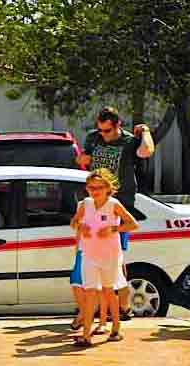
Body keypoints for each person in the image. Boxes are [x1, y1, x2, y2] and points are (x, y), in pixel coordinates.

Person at [76, 106, 155, 321]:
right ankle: (103, 307)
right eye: (100, 130)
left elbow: (147, 151)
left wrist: (146, 132)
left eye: (107, 131)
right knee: (95, 256)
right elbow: (83, 159)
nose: (103, 135)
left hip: (118, 205)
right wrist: (84, 160)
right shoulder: (93, 139)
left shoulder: (129, 142)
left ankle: (122, 306)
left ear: (118, 125)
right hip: (95, 204)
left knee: (116, 257)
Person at [71, 169, 139, 347]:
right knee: (89, 292)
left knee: (109, 291)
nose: (94, 191)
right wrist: (80, 225)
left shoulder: (113, 204)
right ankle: (86, 335)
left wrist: (113, 229)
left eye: (99, 187)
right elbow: (74, 222)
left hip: (110, 255)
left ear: (107, 188)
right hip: (89, 254)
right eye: (91, 187)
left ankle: (115, 328)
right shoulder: (84, 204)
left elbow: (133, 224)